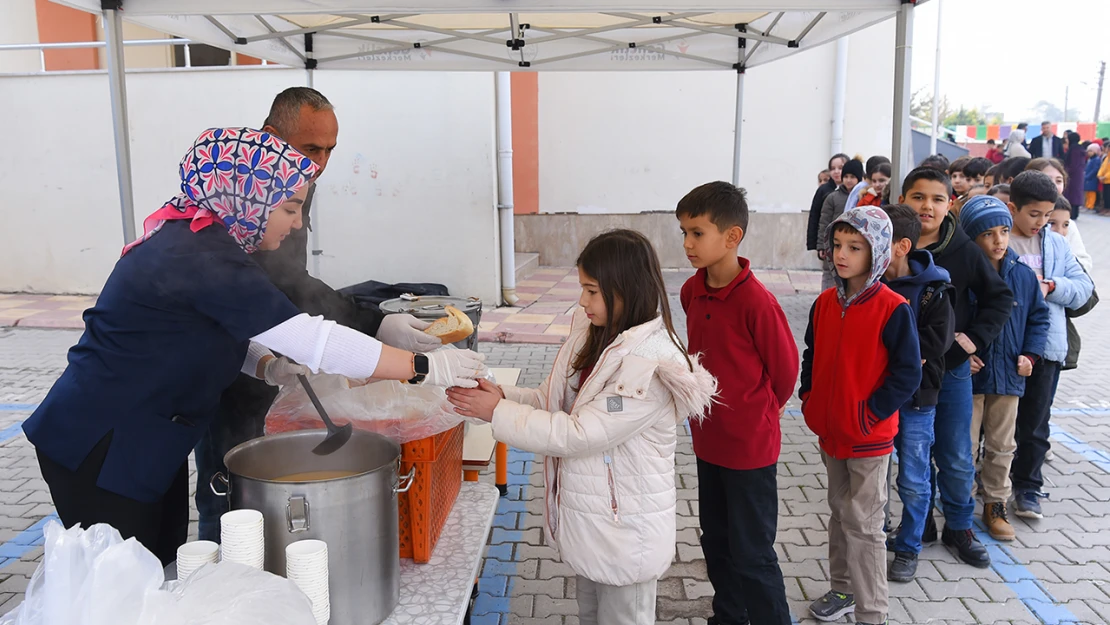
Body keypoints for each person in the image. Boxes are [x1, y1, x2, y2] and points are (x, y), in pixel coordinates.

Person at [23, 128, 487, 566]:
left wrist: (266, 367)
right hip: (100, 444)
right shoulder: (198, 252)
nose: (297, 222)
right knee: (121, 582)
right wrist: (423, 366)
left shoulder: (205, 240)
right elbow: (310, 337)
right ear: (247, 196)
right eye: (289, 207)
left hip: (143, 440)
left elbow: (208, 329)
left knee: (159, 562)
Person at [193, 88, 444, 543]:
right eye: (311, 149)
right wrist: (409, 356)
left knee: (270, 491)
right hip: (214, 385)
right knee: (226, 490)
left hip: (257, 359)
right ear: (271, 138)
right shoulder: (233, 206)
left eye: (330, 150)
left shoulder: (294, 183)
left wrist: (268, 365)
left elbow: (295, 281)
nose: (321, 163)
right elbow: (278, 296)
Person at [447, 230, 716, 625]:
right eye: (582, 289)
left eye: (592, 291)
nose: (582, 301)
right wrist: (501, 395)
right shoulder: (592, 333)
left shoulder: (651, 364)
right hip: (592, 523)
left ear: (625, 290)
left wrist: (497, 414)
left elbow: (579, 433)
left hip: (626, 535)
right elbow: (551, 401)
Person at [675, 182, 797, 625]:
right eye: (683, 232)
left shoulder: (757, 301)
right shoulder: (692, 291)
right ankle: (728, 616)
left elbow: (784, 373)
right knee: (717, 542)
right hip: (708, 443)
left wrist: (759, 413)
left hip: (749, 450)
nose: (687, 243)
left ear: (732, 237)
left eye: (697, 233)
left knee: (752, 553)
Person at [801, 206, 921, 625]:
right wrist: (809, 397)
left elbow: (908, 373)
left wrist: (871, 413)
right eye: (837, 245)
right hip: (831, 434)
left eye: (855, 246)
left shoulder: (893, 307)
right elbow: (811, 355)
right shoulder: (823, 303)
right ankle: (842, 590)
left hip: (868, 438)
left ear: (879, 252)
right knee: (839, 513)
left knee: (866, 526)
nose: (842, 254)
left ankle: (873, 613)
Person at [899, 167, 1013, 569]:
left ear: (951, 205)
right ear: (902, 200)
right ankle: (921, 524)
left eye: (937, 199)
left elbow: (1000, 299)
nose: (926, 206)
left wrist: (972, 340)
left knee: (956, 452)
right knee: (913, 455)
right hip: (903, 373)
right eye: (918, 197)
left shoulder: (963, 249)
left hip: (951, 373)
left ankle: (960, 527)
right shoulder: (892, 246)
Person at [960, 195, 1049, 541]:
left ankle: (995, 504)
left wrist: (1031, 354)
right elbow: (948, 320)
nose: (998, 241)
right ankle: (961, 504)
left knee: (1002, 446)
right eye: (988, 234)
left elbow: (1038, 319)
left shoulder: (1023, 276)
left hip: (1009, 377)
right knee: (962, 445)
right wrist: (960, 354)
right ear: (972, 237)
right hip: (967, 379)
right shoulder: (961, 274)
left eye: (1003, 231)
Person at [1006, 171, 1093, 519]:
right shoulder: (998, 239)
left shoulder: (1056, 243)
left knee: (1035, 423)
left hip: (1046, 348)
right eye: (1034, 215)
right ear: (1013, 208)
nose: (1042, 223)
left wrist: (1053, 286)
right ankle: (991, 481)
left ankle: (1027, 487)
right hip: (1004, 348)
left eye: (1047, 216)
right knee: (996, 423)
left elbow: (1083, 287)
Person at [879, 204, 954, 583]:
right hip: (877, 397)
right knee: (875, 474)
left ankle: (909, 546)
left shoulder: (933, 289)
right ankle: (877, 538)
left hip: (917, 401)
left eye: (877, 240)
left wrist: (897, 355)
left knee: (912, 476)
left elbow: (935, 343)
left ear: (901, 246)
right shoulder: (868, 283)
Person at [1026, 158, 1094, 272]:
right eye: (1046, 179)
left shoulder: (1068, 224)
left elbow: (1084, 261)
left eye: (1059, 181)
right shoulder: (1022, 221)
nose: (1053, 185)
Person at [818, 158, 864, 290]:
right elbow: (824, 222)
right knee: (829, 274)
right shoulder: (832, 197)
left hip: (852, 243)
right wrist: (822, 245)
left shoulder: (862, 197)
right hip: (833, 242)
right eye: (846, 177)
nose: (849, 180)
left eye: (852, 177)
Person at [807, 153, 850, 252]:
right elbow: (815, 216)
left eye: (840, 168)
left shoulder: (854, 190)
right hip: (828, 237)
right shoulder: (824, 189)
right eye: (832, 168)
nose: (836, 172)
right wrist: (816, 244)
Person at [1062, 131, 1087, 215]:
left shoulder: (1074, 149)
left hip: (1073, 175)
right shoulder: (1079, 148)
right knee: (1076, 193)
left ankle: (1073, 213)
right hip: (1078, 174)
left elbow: (1073, 164)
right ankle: (1074, 212)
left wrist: (1066, 171)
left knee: (1072, 194)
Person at [1084, 143, 1103, 210]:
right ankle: (1087, 205)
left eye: (1091, 151)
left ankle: (1090, 206)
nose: (1089, 153)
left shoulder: (1096, 159)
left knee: (1092, 193)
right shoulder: (1090, 159)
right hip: (1088, 178)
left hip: (1093, 178)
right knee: (1088, 192)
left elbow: (1095, 169)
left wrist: (1088, 175)